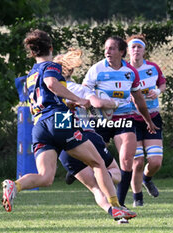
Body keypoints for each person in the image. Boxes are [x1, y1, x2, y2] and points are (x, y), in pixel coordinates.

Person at [1, 30, 136, 221]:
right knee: (97, 162)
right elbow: (51, 84)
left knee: (45, 177)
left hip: (39, 125)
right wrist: (79, 99)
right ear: (50, 48)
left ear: (32, 52)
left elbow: (46, 97)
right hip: (59, 119)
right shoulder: (51, 66)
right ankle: (116, 206)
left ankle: (15, 185)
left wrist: (69, 102)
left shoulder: (31, 74)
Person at [54, 49, 131, 223]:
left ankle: (116, 216)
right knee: (114, 174)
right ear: (71, 70)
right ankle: (104, 180)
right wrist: (116, 103)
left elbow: (58, 122)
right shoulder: (76, 89)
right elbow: (96, 103)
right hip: (86, 137)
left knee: (95, 189)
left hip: (64, 145)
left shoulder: (50, 93)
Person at [82, 36, 158, 207]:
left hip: (124, 118)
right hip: (101, 120)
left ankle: (120, 204)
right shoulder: (97, 69)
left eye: (112, 48)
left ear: (121, 52)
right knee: (92, 157)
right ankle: (75, 169)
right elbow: (84, 90)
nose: (107, 52)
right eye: (106, 48)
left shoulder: (130, 72)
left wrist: (148, 120)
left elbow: (138, 99)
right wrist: (94, 99)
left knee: (127, 159)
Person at [127, 34, 166, 207]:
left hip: (152, 117)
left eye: (139, 47)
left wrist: (157, 92)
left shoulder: (153, 68)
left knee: (156, 162)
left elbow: (162, 84)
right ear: (127, 50)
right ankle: (138, 199)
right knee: (138, 161)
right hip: (132, 119)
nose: (136, 50)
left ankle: (147, 179)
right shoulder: (123, 70)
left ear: (144, 50)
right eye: (133, 47)